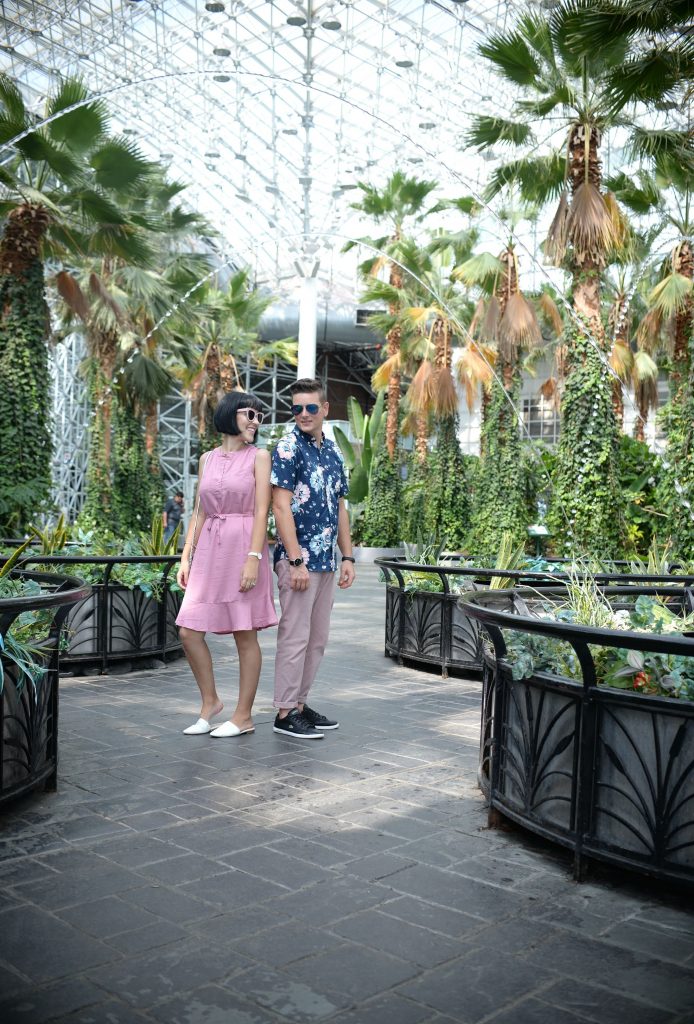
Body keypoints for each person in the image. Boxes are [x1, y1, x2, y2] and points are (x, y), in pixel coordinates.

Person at [175, 392, 277, 738]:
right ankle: (210, 703)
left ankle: (243, 715)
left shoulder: (260, 457)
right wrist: (186, 555)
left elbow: (263, 509)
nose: (255, 421)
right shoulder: (207, 458)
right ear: (230, 414)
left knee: (243, 633)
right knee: (188, 631)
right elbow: (200, 510)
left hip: (243, 548)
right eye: (250, 414)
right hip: (208, 550)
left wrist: (254, 558)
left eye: (259, 416)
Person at [270, 377, 356, 739]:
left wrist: (348, 556)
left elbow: (340, 507)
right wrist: (295, 561)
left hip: (326, 560)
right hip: (299, 561)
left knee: (317, 639)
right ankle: (285, 712)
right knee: (294, 637)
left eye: (310, 407)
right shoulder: (288, 448)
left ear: (324, 409)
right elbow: (280, 505)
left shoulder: (333, 452)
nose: (303, 414)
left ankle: (301, 705)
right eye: (296, 408)